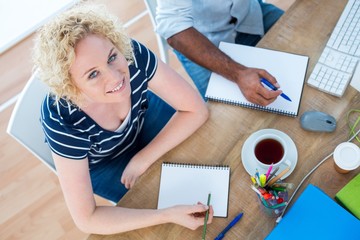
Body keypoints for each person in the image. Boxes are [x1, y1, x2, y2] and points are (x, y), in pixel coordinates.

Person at [32, 3, 213, 234]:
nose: (116, 77)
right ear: (71, 87)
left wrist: (143, 158)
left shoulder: (130, 53)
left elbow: (196, 110)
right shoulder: (61, 119)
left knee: (204, 161)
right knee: (158, 214)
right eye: (93, 74)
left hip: (143, 117)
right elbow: (87, 219)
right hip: (105, 162)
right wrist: (166, 214)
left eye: (111, 57)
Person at [156, 0, 284, 106]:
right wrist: (238, 74)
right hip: (199, 40)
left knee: (301, 38)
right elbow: (173, 25)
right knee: (228, 118)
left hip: (248, 12)